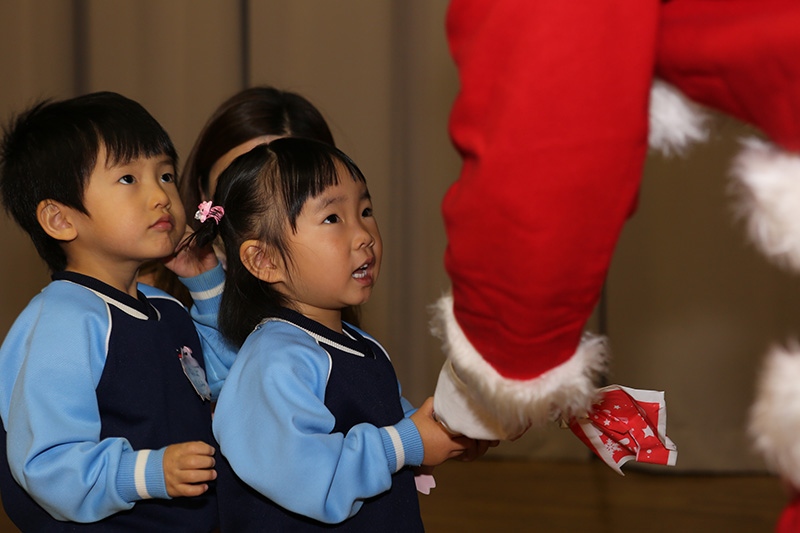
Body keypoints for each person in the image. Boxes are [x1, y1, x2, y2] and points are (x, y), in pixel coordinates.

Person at [190, 138, 479, 530]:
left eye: (365, 210)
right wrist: (407, 442)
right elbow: (308, 474)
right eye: (332, 219)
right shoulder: (273, 358)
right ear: (265, 260)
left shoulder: (362, 344)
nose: (364, 235)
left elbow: (387, 424)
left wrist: (445, 432)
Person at [0, 91, 234, 531]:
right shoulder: (62, 319)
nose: (162, 195)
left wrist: (204, 282)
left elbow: (241, 379)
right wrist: (148, 472)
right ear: (60, 219)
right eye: (129, 179)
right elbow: (47, 462)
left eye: (166, 175)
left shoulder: (166, 308)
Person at [141, 86, 340, 311]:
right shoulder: (148, 300)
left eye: (290, 190)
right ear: (203, 193)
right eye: (239, 184)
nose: (262, 206)